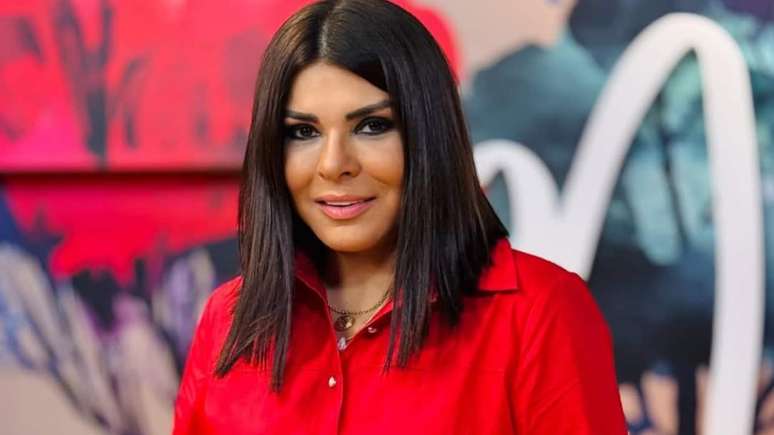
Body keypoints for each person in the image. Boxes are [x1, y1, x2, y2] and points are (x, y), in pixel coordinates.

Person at [172, 0, 628, 433]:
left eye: (372, 126)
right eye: (303, 132)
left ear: (429, 136)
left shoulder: (540, 314)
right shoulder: (227, 319)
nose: (333, 164)